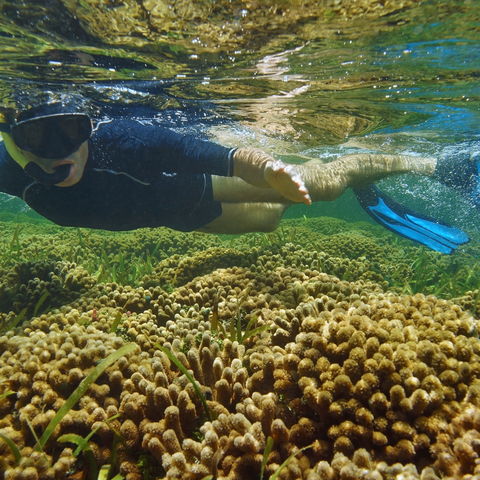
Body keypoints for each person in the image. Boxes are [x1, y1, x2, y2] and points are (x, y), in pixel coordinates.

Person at [0, 101, 478, 254]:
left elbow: (223, 155)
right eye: (39, 140)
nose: (60, 152)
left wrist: (273, 170)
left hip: (193, 187)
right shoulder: (7, 171)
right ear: (12, 140)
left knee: (323, 185)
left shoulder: (125, 141)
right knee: (269, 220)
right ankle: (360, 182)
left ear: (89, 127)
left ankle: (435, 166)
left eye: (71, 132)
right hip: (179, 217)